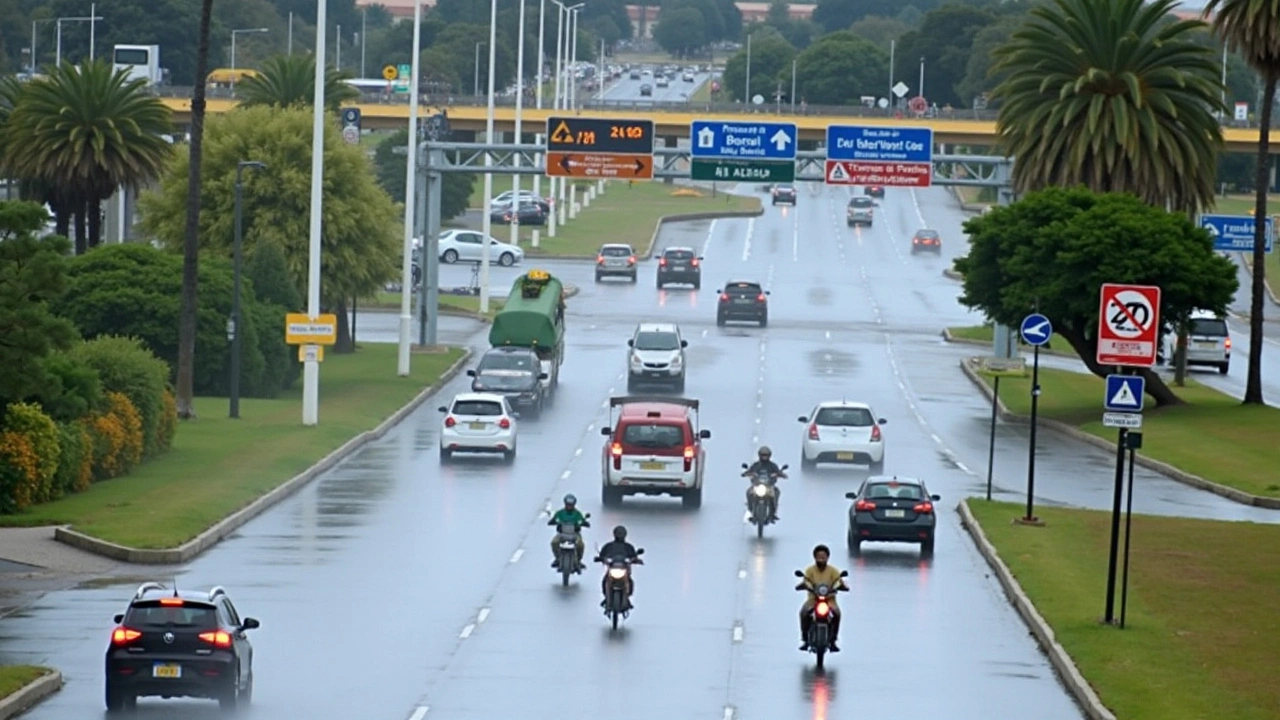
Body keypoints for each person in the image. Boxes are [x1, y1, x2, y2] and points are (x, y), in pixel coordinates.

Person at [798, 544, 848, 652]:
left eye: (823, 557)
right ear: (814, 557)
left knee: (837, 613)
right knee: (803, 613)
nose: (821, 559)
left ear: (827, 557)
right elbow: (805, 581)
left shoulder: (833, 571)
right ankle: (805, 639)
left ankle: (833, 640)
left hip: (830, 600)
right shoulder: (809, 570)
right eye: (819, 557)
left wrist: (842, 586)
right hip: (813, 599)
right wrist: (803, 585)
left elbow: (839, 581)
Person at [596, 525, 641, 607]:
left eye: (621, 533)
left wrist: (636, 560)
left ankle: (627, 596)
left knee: (630, 581)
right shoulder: (608, 546)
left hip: (624, 569)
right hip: (612, 568)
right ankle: (606, 596)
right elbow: (602, 555)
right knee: (605, 580)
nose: (620, 535)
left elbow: (633, 556)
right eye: (618, 533)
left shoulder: (629, 547)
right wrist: (600, 558)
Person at [743, 446, 786, 520]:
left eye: (766, 455)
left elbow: (778, 472)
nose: (764, 457)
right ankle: (751, 509)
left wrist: (780, 474)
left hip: (769, 486)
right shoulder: (756, 465)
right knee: (749, 492)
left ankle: (773, 512)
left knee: (776, 492)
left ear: (769, 456)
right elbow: (750, 471)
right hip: (757, 485)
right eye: (763, 455)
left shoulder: (773, 466)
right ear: (759, 455)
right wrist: (747, 473)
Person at [548, 494, 588, 569]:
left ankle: (578, 560)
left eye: (571, 505)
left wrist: (583, 523)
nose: (569, 506)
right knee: (554, 542)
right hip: (562, 534)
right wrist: (553, 522)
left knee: (580, 544)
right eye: (568, 504)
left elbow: (581, 520)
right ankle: (558, 558)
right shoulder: (560, 513)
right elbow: (555, 519)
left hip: (575, 534)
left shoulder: (577, 514)